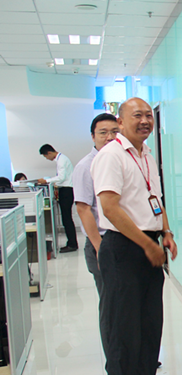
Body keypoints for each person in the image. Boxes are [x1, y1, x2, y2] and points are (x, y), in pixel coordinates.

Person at [90, 97, 179, 375]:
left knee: (149, 324)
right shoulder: (111, 155)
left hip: (149, 245)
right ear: (120, 120)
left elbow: (155, 200)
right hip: (124, 249)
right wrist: (146, 244)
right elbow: (110, 209)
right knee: (123, 331)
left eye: (147, 115)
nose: (144, 121)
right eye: (136, 115)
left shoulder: (146, 154)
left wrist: (166, 233)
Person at [73, 113, 119, 297]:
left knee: (123, 300)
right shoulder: (85, 166)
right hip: (101, 241)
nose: (110, 137)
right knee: (110, 300)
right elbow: (83, 209)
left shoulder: (119, 161)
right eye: (103, 132)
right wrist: (100, 248)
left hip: (121, 239)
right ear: (93, 136)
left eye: (115, 132)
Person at [38, 144, 78, 252]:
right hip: (66, 190)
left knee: (67, 219)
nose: (47, 158)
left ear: (49, 153)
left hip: (66, 191)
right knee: (66, 218)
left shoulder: (61, 160)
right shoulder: (62, 159)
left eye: (46, 156)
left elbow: (61, 177)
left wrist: (46, 181)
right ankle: (71, 243)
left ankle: (72, 244)